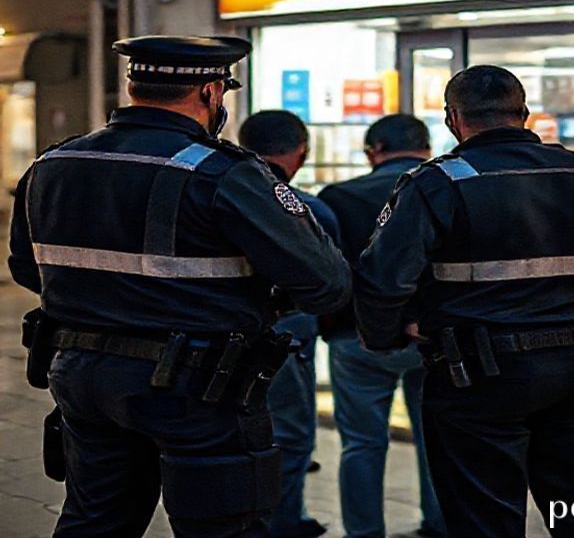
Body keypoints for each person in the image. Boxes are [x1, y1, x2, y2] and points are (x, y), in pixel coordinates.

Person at [8, 36, 351, 538]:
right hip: (197, 385)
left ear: (131, 86)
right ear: (212, 93)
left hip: (81, 374)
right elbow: (327, 283)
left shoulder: (51, 165)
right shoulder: (224, 172)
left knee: (95, 520)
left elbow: (28, 269)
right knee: (223, 527)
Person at [353, 66, 574, 538]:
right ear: (524, 114)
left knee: (485, 516)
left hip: (480, 374)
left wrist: (392, 334)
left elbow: (382, 280)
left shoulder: (438, 184)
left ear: (453, 119)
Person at [318, 114, 445, 538]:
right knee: (436, 443)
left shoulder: (338, 197)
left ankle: (364, 532)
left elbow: (326, 271)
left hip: (356, 339)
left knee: (361, 445)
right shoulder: (445, 190)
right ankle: (439, 524)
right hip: (433, 339)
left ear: (373, 151)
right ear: (427, 149)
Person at [238, 109, 341, 538]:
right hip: (287, 331)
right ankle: (283, 522)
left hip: (216, 333)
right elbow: (330, 283)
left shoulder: (217, 196)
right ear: (300, 154)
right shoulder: (307, 210)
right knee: (292, 433)